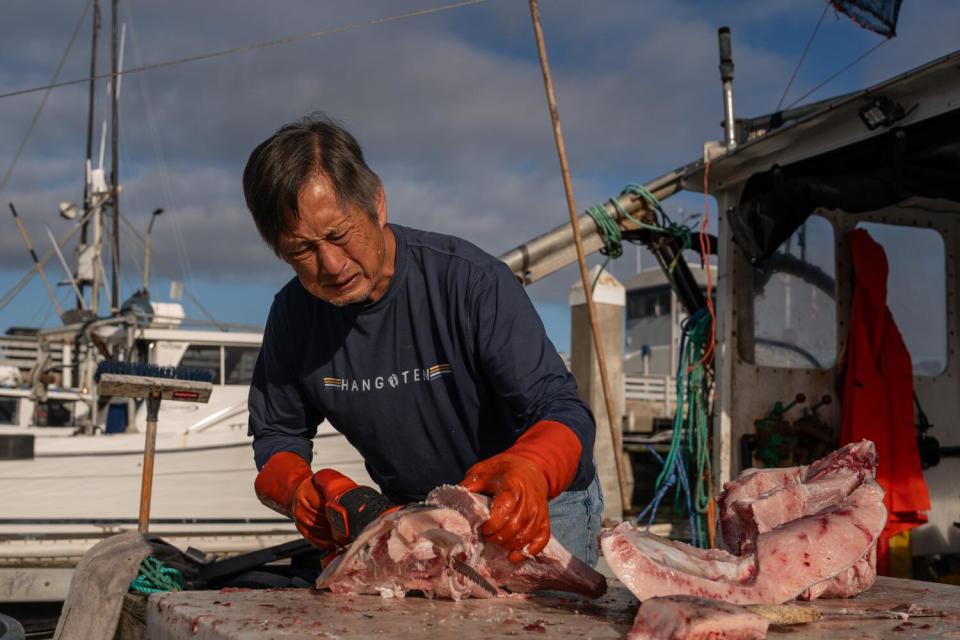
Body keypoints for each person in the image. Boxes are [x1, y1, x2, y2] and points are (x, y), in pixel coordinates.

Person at [242, 113, 603, 566]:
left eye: (339, 233)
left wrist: (533, 467)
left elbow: (563, 409)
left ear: (377, 202)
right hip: (415, 513)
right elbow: (277, 432)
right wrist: (301, 492)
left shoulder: (472, 282)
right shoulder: (293, 316)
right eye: (302, 250)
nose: (332, 264)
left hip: (539, 501)